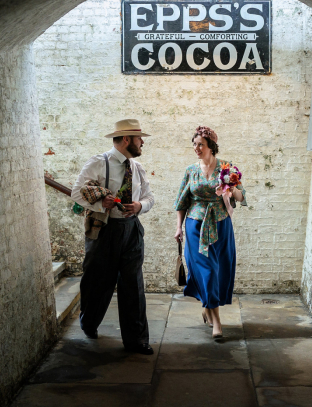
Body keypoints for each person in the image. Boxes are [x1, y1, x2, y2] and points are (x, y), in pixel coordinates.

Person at [71, 119, 155, 354]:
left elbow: (150, 197)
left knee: (133, 286)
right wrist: (100, 202)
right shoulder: (98, 162)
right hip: (104, 231)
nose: (142, 143)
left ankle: (136, 340)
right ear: (127, 139)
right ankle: (89, 322)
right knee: (98, 282)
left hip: (132, 231)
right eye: (139, 138)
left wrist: (139, 206)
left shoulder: (137, 168)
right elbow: (76, 193)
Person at [173, 126, 246, 338]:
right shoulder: (190, 171)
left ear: (211, 146)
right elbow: (181, 201)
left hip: (220, 224)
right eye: (194, 144)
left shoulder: (227, 168)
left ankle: (207, 307)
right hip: (195, 225)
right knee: (208, 272)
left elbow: (241, 198)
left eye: (200, 144)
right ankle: (217, 322)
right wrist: (179, 227)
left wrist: (231, 189)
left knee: (220, 270)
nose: (196, 148)